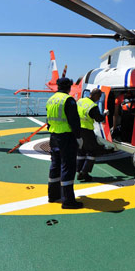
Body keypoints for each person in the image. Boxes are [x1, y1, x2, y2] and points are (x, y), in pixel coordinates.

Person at [46, 77, 84, 209]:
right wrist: (78, 137)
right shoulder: (68, 100)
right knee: (68, 167)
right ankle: (68, 201)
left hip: (54, 137)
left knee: (55, 165)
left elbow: (48, 120)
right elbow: (74, 121)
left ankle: (53, 195)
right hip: (66, 138)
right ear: (69, 87)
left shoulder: (51, 100)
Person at [76, 88, 109, 182]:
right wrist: (105, 114)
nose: (98, 99)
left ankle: (79, 170)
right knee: (92, 151)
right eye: (98, 97)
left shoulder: (80, 101)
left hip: (77, 129)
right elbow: (98, 118)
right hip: (87, 130)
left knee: (81, 150)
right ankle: (84, 172)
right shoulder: (93, 106)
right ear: (95, 95)